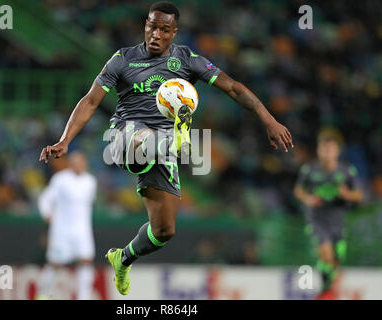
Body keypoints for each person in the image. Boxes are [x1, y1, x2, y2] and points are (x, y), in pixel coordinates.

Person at [39, 1, 293, 295]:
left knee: (164, 231)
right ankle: (175, 134)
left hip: (162, 150)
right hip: (125, 137)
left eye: (164, 29)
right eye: (151, 26)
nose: (155, 34)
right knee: (140, 137)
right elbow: (91, 101)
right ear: (145, 25)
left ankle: (122, 258)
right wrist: (65, 139)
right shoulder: (123, 59)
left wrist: (268, 118)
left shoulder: (187, 59)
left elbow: (233, 87)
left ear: (174, 32)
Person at [294, 128, 363, 300]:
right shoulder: (309, 170)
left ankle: (326, 288)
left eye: (331, 149)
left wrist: (347, 194)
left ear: (337, 151)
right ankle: (325, 292)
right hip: (317, 218)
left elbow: (359, 195)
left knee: (335, 259)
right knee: (326, 253)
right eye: (324, 149)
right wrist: (309, 199)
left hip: (338, 219)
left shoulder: (347, 171)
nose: (327, 153)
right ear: (318, 150)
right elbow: (298, 191)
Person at [36, 151, 97, 300]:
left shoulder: (90, 181)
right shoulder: (60, 179)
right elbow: (45, 199)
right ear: (71, 164)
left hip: (82, 230)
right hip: (61, 230)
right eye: (76, 162)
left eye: (82, 162)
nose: (79, 165)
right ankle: (43, 294)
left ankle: (84, 297)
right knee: (54, 263)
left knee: (86, 261)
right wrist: (47, 215)